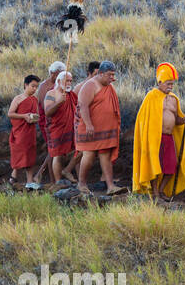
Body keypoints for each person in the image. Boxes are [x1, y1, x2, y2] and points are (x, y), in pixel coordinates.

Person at [131, 62, 185, 198]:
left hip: (169, 137)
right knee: (154, 165)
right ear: (160, 82)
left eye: (172, 84)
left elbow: (176, 119)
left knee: (171, 166)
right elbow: (142, 119)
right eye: (168, 84)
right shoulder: (151, 96)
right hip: (154, 138)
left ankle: (162, 189)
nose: (170, 87)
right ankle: (156, 193)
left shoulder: (174, 99)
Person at [75, 61, 125, 194]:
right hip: (90, 129)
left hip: (105, 130)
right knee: (89, 155)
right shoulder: (90, 85)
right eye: (109, 75)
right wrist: (89, 124)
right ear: (101, 74)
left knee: (105, 156)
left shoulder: (108, 86)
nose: (112, 78)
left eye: (113, 75)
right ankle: (81, 184)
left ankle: (110, 186)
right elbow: (83, 106)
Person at [31, 60, 65, 185]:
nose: (58, 77)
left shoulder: (60, 84)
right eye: (57, 74)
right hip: (47, 122)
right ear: (51, 73)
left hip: (59, 121)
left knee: (55, 149)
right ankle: (50, 179)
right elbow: (46, 107)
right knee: (53, 149)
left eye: (61, 74)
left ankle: (46, 176)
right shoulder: (44, 87)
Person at [43, 70, 78, 189]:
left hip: (71, 128)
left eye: (70, 81)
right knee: (57, 155)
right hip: (56, 129)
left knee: (79, 150)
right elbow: (47, 112)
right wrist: (58, 102)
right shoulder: (51, 94)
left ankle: (69, 172)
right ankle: (58, 182)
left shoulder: (71, 95)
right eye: (66, 81)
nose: (69, 83)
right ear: (58, 81)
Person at [8, 75, 41, 189]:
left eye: (36, 87)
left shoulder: (34, 99)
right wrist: (24, 116)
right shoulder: (18, 98)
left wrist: (35, 118)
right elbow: (10, 113)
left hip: (30, 132)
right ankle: (13, 177)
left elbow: (36, 114)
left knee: (30, 155)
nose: (34, 89)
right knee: (20, 154)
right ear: (26, 85)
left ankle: (29, 181)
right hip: (20, 132)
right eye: (32, 86)